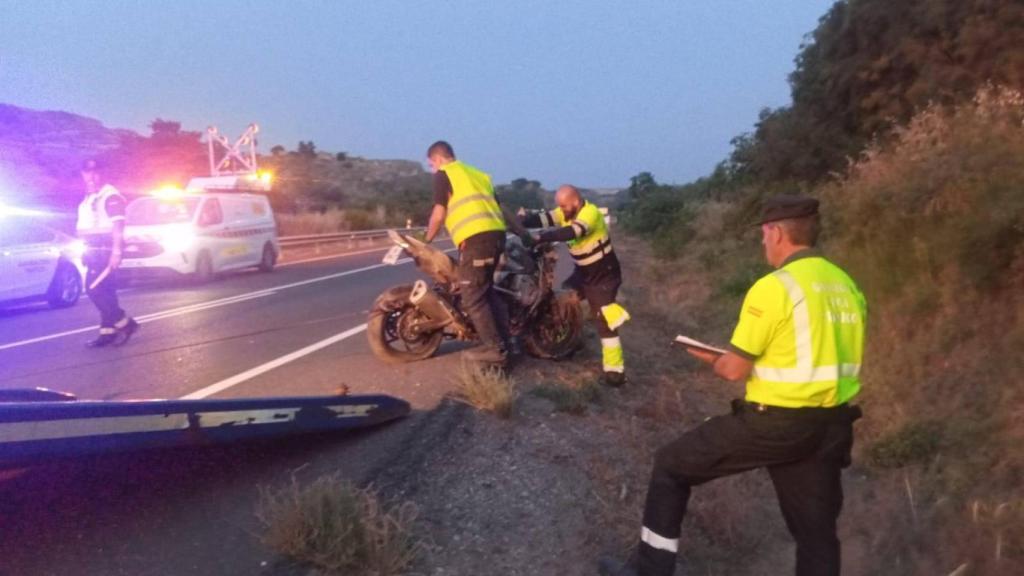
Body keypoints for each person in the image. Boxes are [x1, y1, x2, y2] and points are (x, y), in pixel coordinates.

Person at [600, 195, 866, 576]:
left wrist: (714, 358)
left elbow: (733, 371)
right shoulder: (846, 285)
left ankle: (649, 569)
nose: (763, 244)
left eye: (763, 236)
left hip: (774, 424)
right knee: (816, 534)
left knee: (671, 466)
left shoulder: (776, 287)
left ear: (774, 233)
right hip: (830, 427)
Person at [423, 141, 529, 366]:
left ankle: (495, 350)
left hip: (477, 240)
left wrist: (427, 239)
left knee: (472, 295)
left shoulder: (444, 174)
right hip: (496, 238)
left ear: (439, 159)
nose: (433, 169)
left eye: (431, 164)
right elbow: (502, 210)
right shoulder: (480, 175)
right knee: (487, 292)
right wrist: (522, 233)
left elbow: (440, 211)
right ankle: (508, 344)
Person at [524, 185, 629, 386]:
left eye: (564, 205)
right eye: (559, 206)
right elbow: (545, 218)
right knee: (561, 298)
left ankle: (615, 372)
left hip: (603, 276)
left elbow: (573, 231)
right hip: (583, 272)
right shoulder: (565, 212)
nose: (561, 209)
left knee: (605, 321)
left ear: (576, 201)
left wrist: (542, 237)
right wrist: (523, 220)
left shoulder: (590, 213)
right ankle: (569, 338)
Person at [76, 159, 138, 347]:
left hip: (105, 249)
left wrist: (116, 252)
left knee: (93, 289)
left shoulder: (110, 196)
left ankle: (127, 324)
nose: (91, 176)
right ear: (82, 174)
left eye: (96, 172)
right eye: (87, 173)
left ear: (103, 174)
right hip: (93, 249)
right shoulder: (90, 197)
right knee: (107, 293)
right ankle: (107, 332)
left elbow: (118, 225)